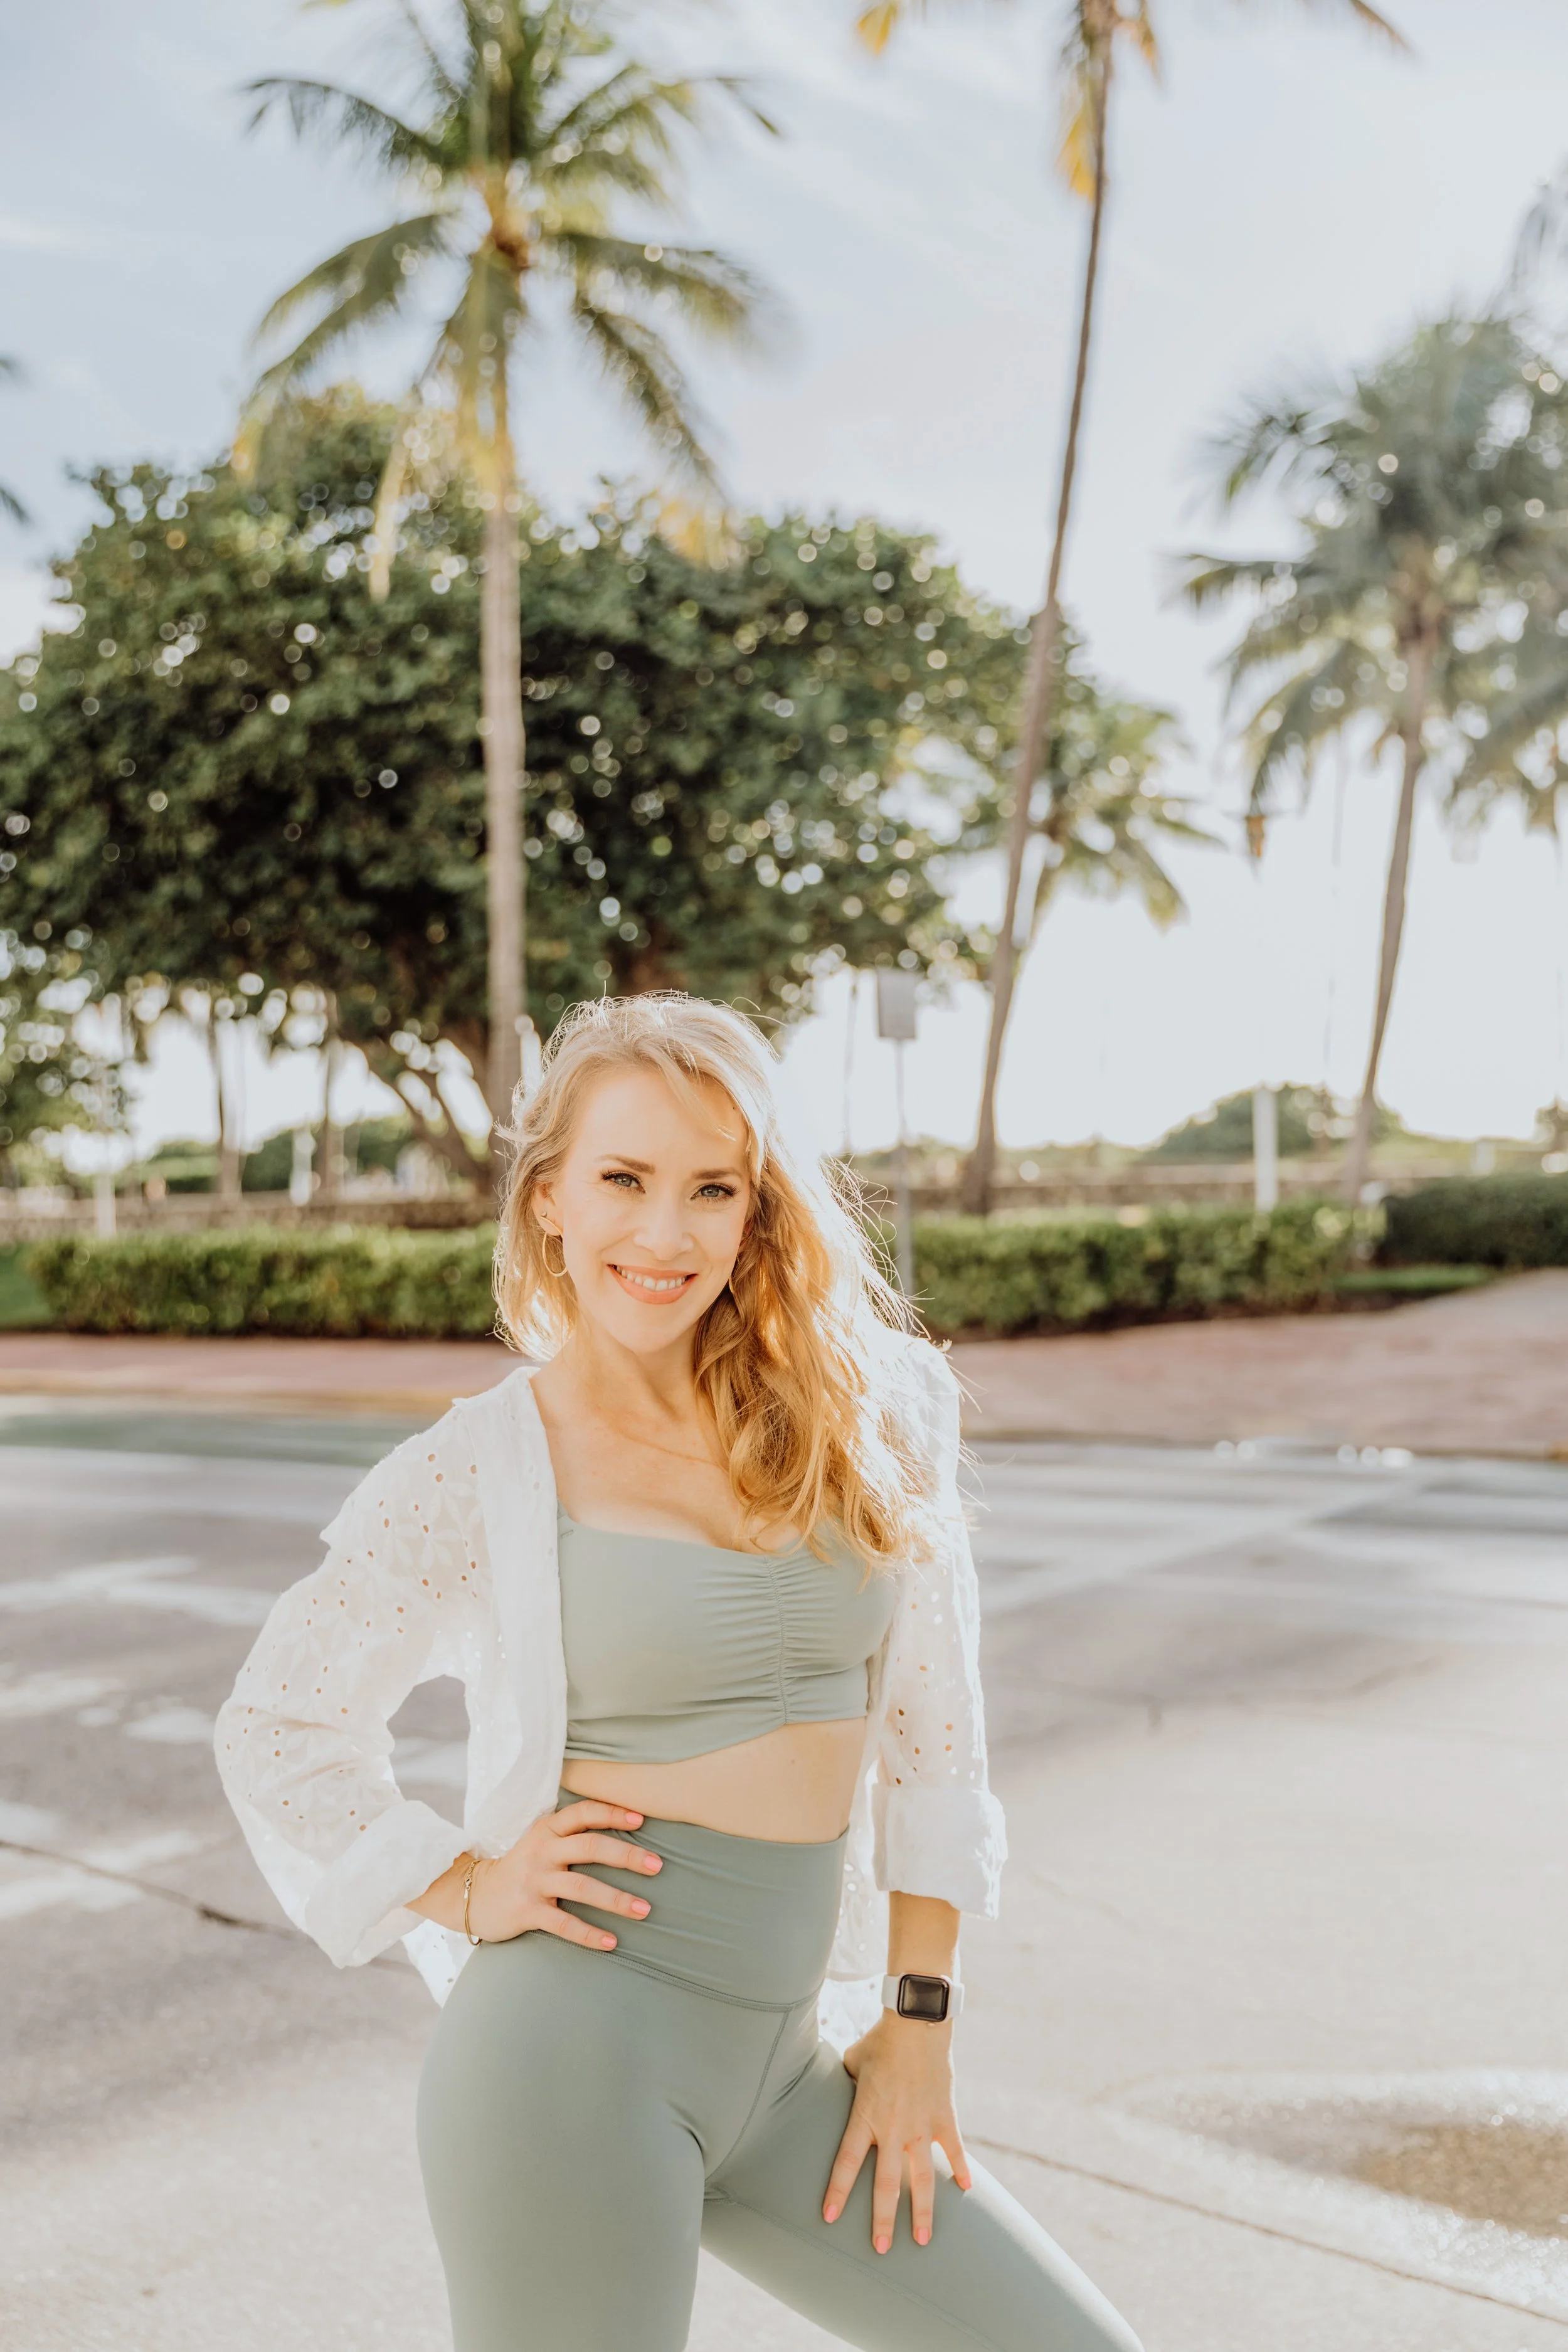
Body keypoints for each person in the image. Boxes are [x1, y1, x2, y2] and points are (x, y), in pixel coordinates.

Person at [216, 993, 1143, 2352]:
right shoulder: (475, 1469)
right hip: (570, 2062)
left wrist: (917, 2018)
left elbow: (935, 1735)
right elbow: (280, 1725)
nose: (665, 1235)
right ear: (548, 1201)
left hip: (788, 2070)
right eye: (623, 1181)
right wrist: (466, 1886)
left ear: (758, 1210)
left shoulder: (873, 1409)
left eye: (711, 1188)